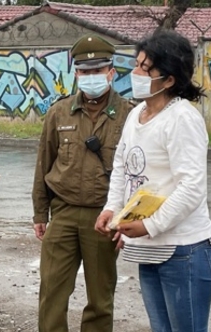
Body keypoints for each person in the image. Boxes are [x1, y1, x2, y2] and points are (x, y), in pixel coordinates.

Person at [95, 30, 211, 332]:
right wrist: (112, 209)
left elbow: (191, 188)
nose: (135, 72)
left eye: (145, 68)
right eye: (137, 64)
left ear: (169, 80)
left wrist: (149, 225)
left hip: (184, 251)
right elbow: (123, 166)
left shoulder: (182, 119)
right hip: (149, 249)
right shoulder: (137, 113)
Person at [31, 34, 135, 332]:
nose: (91, 78)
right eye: (85, 72)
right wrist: (40, 214)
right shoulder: (58, 112)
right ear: (76, 74)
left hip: (104, 218)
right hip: (62, 214)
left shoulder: (129, 115)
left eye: (98, 71)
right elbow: (43, 165)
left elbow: (136, 174)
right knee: (51, 292)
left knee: (101, 299)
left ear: (111, 73)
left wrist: (127, 221)